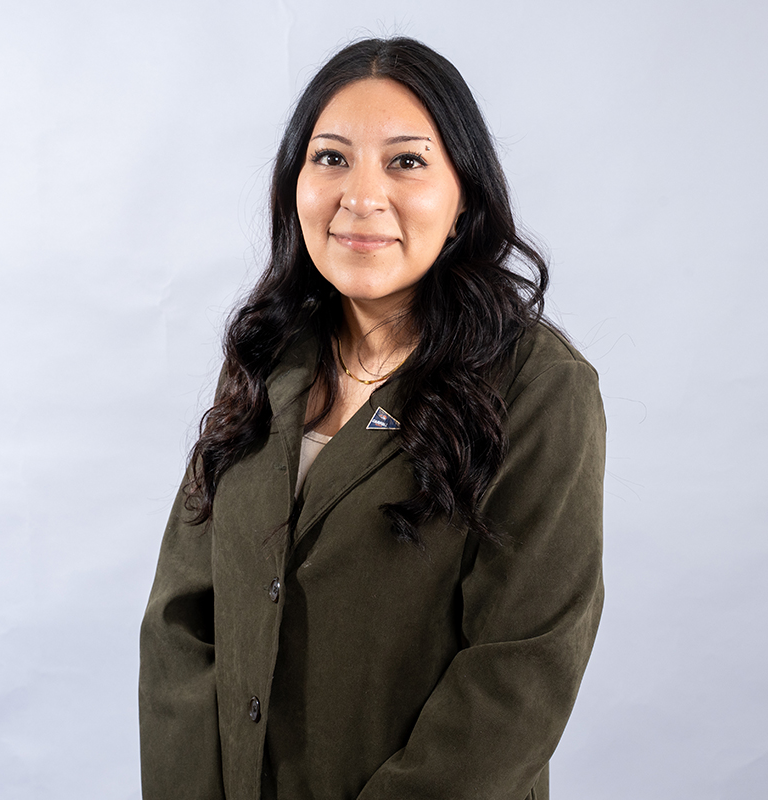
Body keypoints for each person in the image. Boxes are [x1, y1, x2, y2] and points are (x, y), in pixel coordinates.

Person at [139, 36, 605, 800]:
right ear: (294, 180)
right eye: (330, 158)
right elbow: (181, 622)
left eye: (406, 161)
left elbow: (522, 664)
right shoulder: (267, 358)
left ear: (465, 196)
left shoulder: (539, 388)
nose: (360, 196)